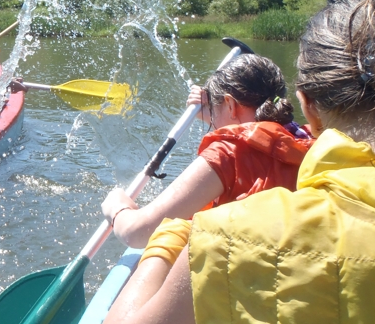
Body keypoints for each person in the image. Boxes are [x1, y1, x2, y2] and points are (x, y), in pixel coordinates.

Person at [89, 0, 375, 324]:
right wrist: (217, 117)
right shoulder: (299, 140)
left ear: (308, 106)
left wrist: (169, 235)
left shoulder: (225, 234)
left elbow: (138, 236)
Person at [101, 53, 313, 249]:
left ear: (230, 104)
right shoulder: (310, 138)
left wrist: (117, 206)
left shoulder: (228, 153)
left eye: (215, 109)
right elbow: (256, 127)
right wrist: (213, 112)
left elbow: (138, 233)